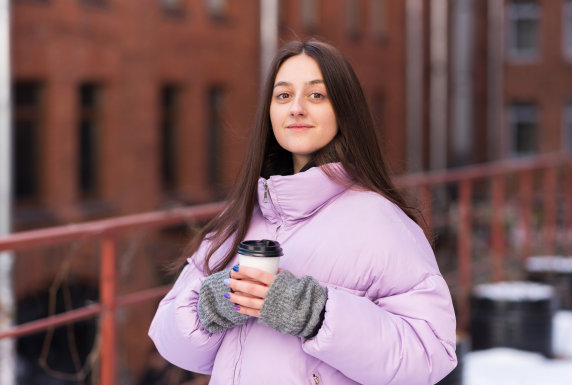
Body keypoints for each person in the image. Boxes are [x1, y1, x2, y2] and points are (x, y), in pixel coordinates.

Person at [149, 39, 457, 384]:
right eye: (283, 96)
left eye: (316, 95)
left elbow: (431, 355)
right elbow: (166, 340)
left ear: (343, 110)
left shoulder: (381, 222)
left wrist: (316, 313)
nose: (296, 108)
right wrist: (211, 307)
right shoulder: (240, 219)